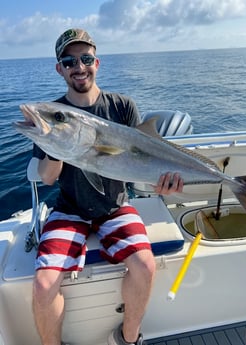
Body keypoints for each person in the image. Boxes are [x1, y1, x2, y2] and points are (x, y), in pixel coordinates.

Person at [32, 28, 184, 345]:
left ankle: (128, 338)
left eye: (86, 58)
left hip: (115, 206)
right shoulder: (54, 115)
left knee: (144, 265)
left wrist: (164, 185)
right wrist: (55, 143)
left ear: (97, 63)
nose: (79, 66)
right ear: (59, 68)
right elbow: (47, 177)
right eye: (69, 60)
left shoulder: (122, 107)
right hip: (69, 210)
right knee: (45, 284)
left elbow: (144, 161)